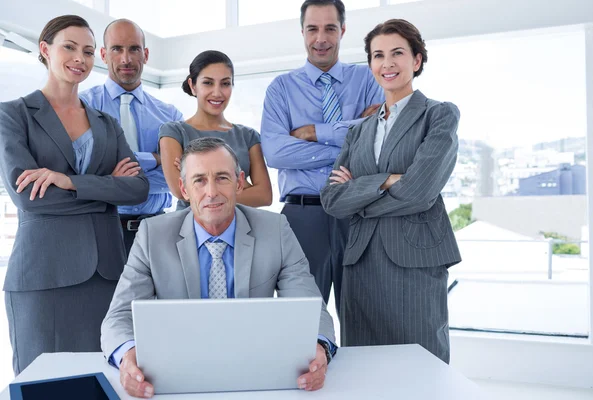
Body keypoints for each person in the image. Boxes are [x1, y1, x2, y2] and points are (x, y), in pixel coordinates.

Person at [101, 137, 336, 398]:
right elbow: (119, 316)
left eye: (222, 178)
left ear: (239, 182)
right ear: (184, 188)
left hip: (256, 372)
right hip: (178, 376)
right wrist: (128, 357)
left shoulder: (276, 230)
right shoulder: (152, 235)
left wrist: (318, 348)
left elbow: (311, 307)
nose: (211, 192)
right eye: (199, 180)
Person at [0, 15, 149, 374]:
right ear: (45, 49)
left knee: (104, 380)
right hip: (43, 275)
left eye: (86, 50)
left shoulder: (106, 123)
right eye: (69, 47)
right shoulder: (12, 115)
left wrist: (69, 181)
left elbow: (138, 188)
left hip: (105, 275)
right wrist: (106, 189)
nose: (79, 58)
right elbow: (30, 198)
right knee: (43, 383)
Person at [320, 19, 461, 363]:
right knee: (364, 367)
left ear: (416, 60)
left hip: (414, 260)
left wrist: (360, 192)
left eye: (397, 53)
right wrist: (386, 180)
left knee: (421, 364)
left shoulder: (438, 115)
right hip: (361, 260)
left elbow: (420, 191)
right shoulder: (359, 130)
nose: (387, 63)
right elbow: (332, 199)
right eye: (377, 55)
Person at [260, 0, 384, 316]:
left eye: (330, 28)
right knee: (300, 321)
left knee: (363, 317)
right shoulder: (281, 89)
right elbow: (275, 152)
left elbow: (380, 137)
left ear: (342, 30)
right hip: (302, 216)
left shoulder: (368, 79)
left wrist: (314, 131)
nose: (321, 39)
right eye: (313, 29)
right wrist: (351, 143)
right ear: (302, 32)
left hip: (358, 214)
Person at [80, 19, 183, 254]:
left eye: (134, 49)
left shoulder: (170, 115)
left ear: (145, 54)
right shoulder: (82, 107)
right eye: (117, 49)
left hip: (159, 232)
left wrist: (114, 178)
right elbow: (85, 171)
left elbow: (178, 179)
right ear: (104, 55)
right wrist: (157, 160)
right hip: (101, 230)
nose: (126, 59)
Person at [159, 50, 271, 209]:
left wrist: (197, 174)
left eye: (225, 83)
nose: (217, 93)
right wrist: (239, 182)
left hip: (242, 228)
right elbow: (181, 191)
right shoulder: (173, 132)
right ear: (192, 86)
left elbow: (264, 196)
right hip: (189, 229)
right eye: (208, 83)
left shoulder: (248, 136)